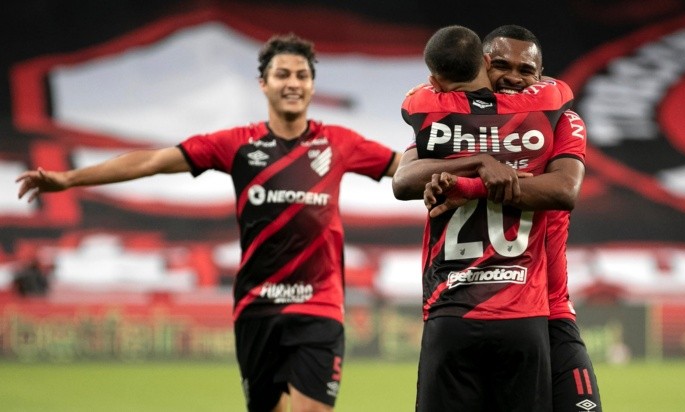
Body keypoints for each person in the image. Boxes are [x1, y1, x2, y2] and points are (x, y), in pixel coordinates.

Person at [17, 33, 400, 412]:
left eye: (302, 75)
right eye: (282, 74)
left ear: (313, 86)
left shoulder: (339, 143)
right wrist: (69, 179)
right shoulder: (237, 143)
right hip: (258, 307)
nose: (293, 83)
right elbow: (152, 161)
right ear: (263, 84)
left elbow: (404, 166)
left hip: (318, 304)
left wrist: (440, 172)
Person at [395, 24, 601, 411]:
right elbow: (405, 179)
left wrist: (466, 184)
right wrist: (479, 163)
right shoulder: (447, 124)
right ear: (483, 64)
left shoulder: (559, 121)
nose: (514, 77)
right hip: (503, 310)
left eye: (526, 70)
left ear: (540, 76)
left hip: (549, 309)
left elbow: (564, 191)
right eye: (503, 66)